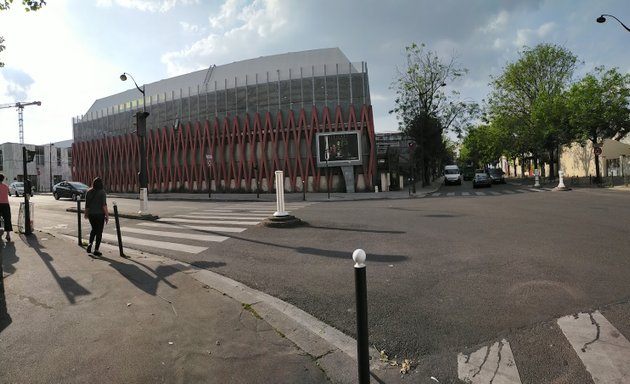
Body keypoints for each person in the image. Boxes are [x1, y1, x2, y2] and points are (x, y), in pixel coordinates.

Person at [84, 177, 108, 256]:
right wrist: (107, 215)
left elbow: (87, 205)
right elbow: (104, 205)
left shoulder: (89, 192)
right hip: (100, 214)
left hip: (91, 214)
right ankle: (96, 250)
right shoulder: (102, 192)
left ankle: (90, 244)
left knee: (93, 229)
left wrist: (86, 214)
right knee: (99, 232)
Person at [0, 174, 13, 241]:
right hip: (5, 204)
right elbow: (9, 193)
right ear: (3, 179)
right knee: (7, 219)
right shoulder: (6, 186)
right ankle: (8, 235)